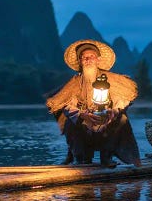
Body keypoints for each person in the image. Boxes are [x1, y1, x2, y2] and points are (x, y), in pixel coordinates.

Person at [46, 39, 141, 167]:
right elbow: (67, 105)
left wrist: (114, 110)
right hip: (85, 123)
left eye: (92, 57)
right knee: (69, 121)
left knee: (122, 119)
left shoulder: (112, 80)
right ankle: (80, 157)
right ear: (80, 61)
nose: (88, 60)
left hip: (106, 120)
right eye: (85, 57)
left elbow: (122, 99)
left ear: (98, 60)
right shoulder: (74, 83)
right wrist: (82, 115)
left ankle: (106, 156)